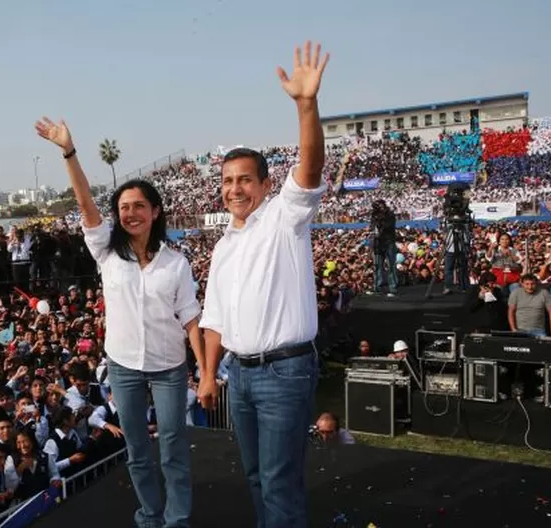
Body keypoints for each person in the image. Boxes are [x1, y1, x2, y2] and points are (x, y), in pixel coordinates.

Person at [35, 116, 205, 528]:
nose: (130, 213)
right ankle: (149, 516)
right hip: (124, 367)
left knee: (173, 447)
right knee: (138, 452)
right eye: (123, 208)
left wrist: (205, 371)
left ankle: (177, 519)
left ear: (155, 211)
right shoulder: (106, 253)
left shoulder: (176, 263)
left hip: (168, 368)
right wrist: (69, 153)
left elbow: (191, 320)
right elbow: (85, 205)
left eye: (138, 206)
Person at [197, 41, 330, 528]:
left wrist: (306, 105)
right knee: (254, 476)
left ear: (265, 185)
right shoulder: (222, 247)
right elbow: (214, 321)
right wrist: (210, 375)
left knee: (278, 479)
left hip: (285, 373)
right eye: (228, 181)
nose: (235, 189)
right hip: (240, 376)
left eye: (245, 180)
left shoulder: (284, 219)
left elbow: (311, 169)